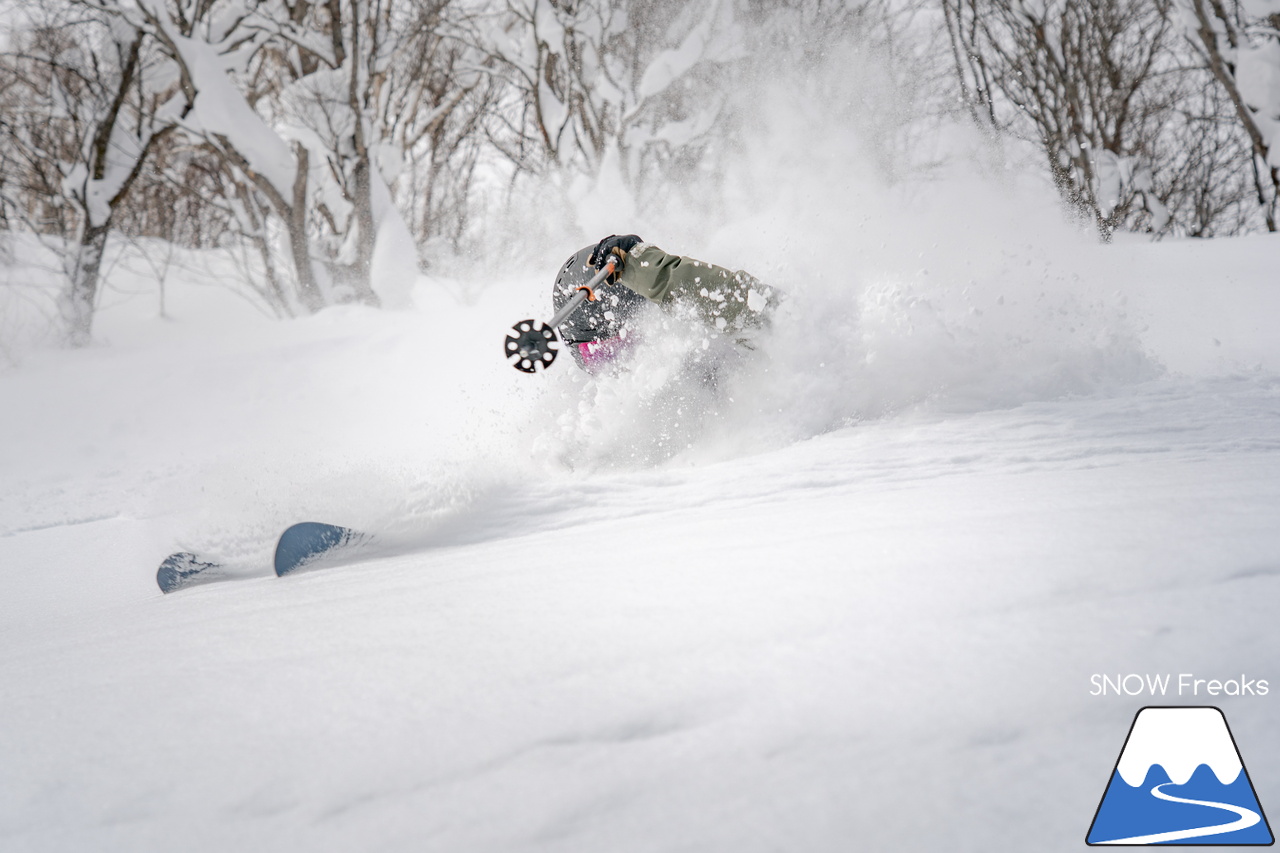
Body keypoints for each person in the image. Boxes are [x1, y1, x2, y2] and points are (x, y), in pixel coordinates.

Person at [551, 234, 778, 373]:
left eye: (631, 346)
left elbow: (767, 317)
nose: (622, 369)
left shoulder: (728, 365)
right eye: (599, 357)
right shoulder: (599, 428)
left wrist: (651, 274)